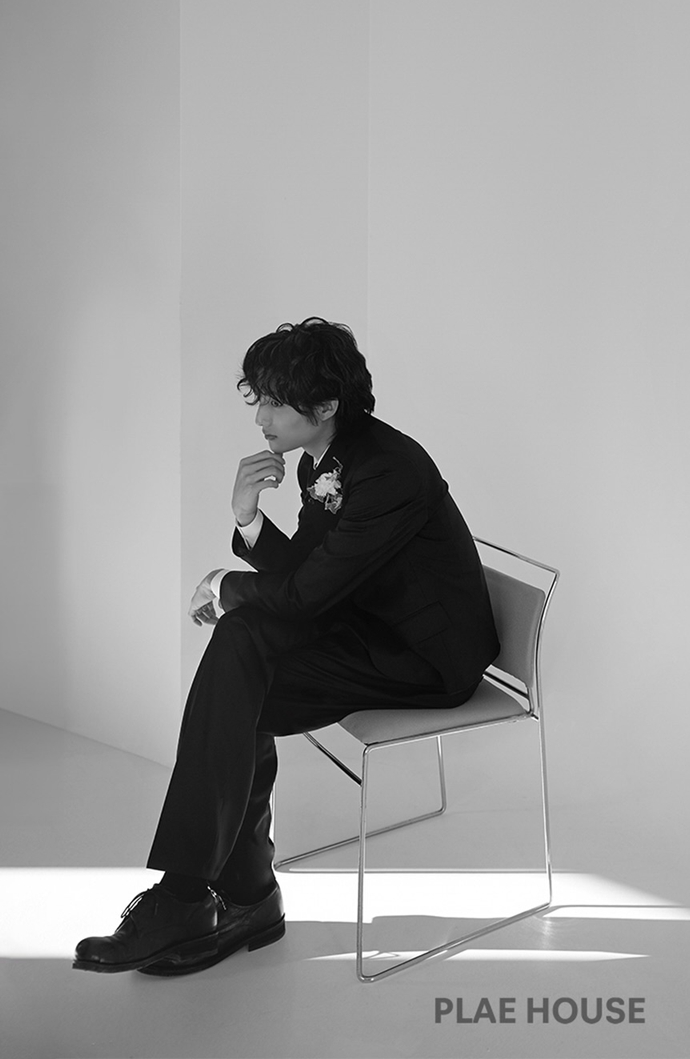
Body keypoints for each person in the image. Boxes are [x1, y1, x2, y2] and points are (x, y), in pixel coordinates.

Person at [74, 318, 498, 975]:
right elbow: (306, 573)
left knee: (238, 681)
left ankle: (209, 898)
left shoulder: (388, 469)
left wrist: (225, 583)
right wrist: (247, 518)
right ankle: (234, 899)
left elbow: (303, 597)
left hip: (423, 660)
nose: (260, 418)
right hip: (366, 627)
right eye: (260, 400)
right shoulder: (321, 461)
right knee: (239, 671)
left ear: (324, 406)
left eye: (274, 402)